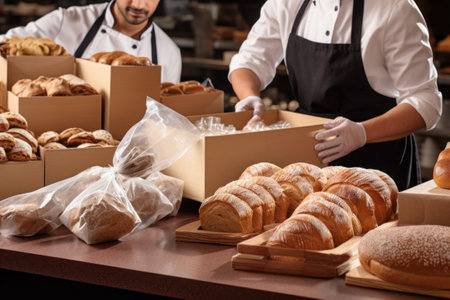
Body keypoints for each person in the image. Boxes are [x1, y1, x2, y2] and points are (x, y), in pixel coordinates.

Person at [228, 0, 443, 191]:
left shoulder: (395, 8)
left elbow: (426, 101)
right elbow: (249, 60)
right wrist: (249, 96)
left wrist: (361, 133)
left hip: (379, 164)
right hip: (309, 160)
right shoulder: (285, 4)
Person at [0, 0, 181, 83]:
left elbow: (167, 117)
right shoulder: (67, 20)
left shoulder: (169, 52)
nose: (139, 5)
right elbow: (6, 42)